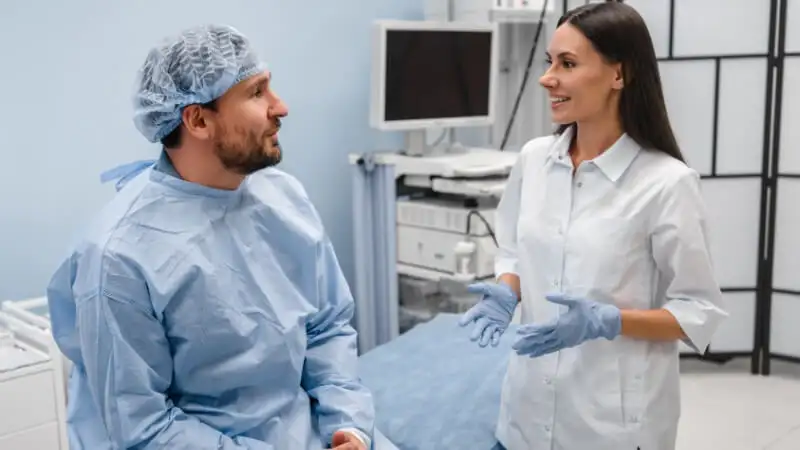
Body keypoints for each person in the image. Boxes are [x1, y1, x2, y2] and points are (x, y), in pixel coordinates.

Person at [46, 24, 374, 450]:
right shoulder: (118, 257)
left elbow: (327, 327)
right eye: (256, 93)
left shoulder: (284, 197)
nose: (281, 107)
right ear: (198, 120)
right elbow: (144, 428)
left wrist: (349, 426)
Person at [458, 3, 728, 450]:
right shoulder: (534, 160)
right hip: (524, 416)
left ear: (618, 74)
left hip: (610, 428)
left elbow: (699, 312)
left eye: (567, 64)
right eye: (549, 62)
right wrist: (508, 289)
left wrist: (611, 321)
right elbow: (513, 250)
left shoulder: (666, 183)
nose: (547, 78)